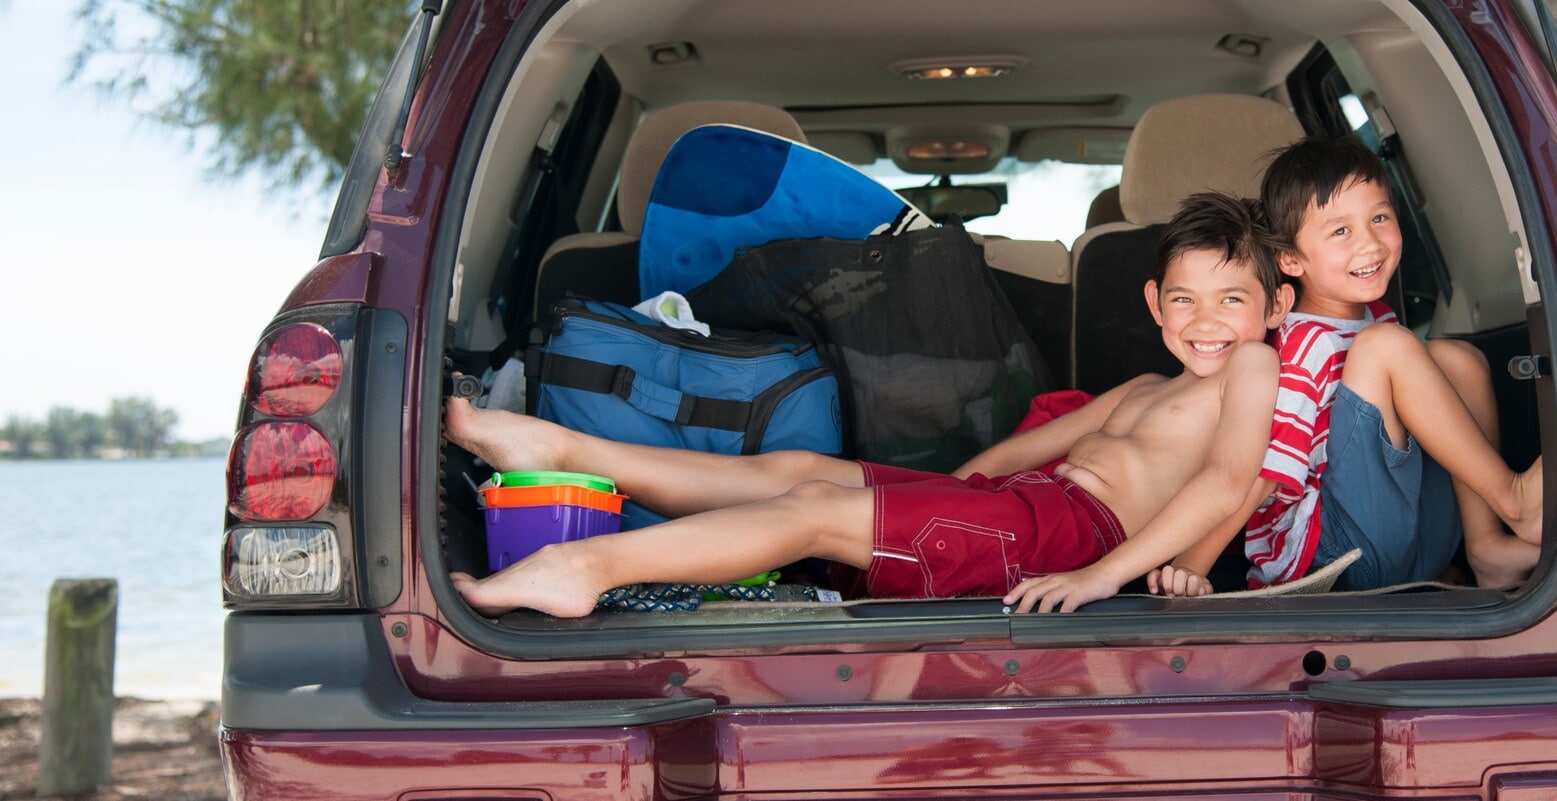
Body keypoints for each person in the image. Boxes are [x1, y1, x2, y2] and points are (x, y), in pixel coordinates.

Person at [446, 192, 1286, 617]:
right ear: (1152, 302)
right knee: (808, 471)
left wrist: (1110, 578)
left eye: (1232, 301)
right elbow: (1013, 458)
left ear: (1276, 309)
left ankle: (583, 570)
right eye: (1184, 301)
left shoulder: (1254, 370)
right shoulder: (1145, 388)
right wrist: (929, 496)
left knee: (812, 509)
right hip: (1018, 509)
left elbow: (1228, 483)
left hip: (1072, 538)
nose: (1206, 323)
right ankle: (568, 451)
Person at [1148, 135, 1542, 597]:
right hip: (1331, 559)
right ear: (1290, 259)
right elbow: (1264, 474)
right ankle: (1514, 502)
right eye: (1341, 231)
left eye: (1379, 217)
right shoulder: (1303, 343)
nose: (1370, 243)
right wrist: (1192, 565)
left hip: (1404, 541)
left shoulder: (1374, 319)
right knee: (1385, 347)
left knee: (1457, 358)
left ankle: (1486, 547)